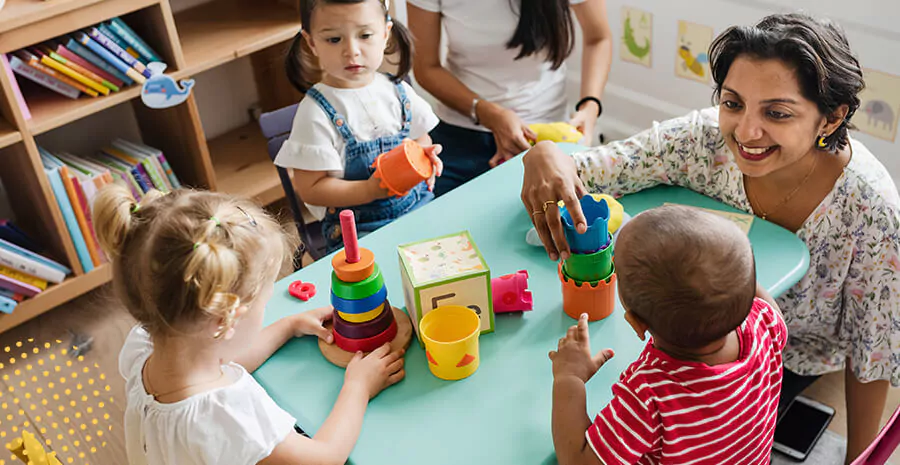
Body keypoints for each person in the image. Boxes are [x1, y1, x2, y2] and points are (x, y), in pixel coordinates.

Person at [522, 13, 900, 463]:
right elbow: (593, 169)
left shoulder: (871, 208)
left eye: (776, 113)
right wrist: (545, 153)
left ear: (830, 118)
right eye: (733, 102)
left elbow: (872, 352)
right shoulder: (702, 140)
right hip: (702, 332)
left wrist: (861, 459)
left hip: (789, 359)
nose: (745, 132)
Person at [95, 186, 405, 465]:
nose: (266, 309)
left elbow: (219, 360)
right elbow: (323, 459)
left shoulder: (144, 347)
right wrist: (358, 387)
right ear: (224, 320)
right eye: (264, 301)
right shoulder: (228, 416)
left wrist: (288, 325)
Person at [551, 205, 786, 464]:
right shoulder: (766, 324)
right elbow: (748, 290)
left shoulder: (649, 394)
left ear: (638, 324)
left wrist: (569, 377)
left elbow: (576, 459)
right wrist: (727, 268)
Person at [277, 0, 443, 252]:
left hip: (418, 205)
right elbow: (311, 189)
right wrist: (369, 190)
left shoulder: (398, 91)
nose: (351, 51)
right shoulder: (315, 113)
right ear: (311, 43)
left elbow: (422, 138)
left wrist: (423, 157)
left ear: (385, 34)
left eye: (365, 35)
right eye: (334, 39)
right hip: (359, 231)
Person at [408, 0, 612, 196]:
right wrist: (488, 113)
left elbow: (598, 38)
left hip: (546, 134)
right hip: (461, 133)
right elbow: (426, 67)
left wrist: (590, 107)